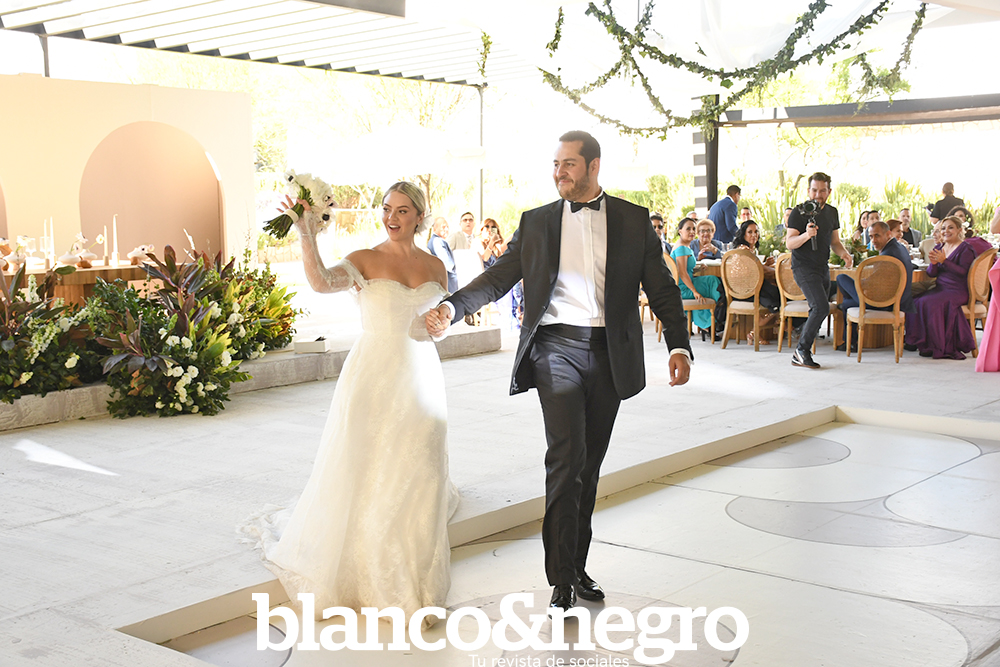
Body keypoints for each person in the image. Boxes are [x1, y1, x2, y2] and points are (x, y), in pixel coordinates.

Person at [425, 130, 692, 613]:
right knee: (566, 460)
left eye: (568, 163)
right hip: (556, 350)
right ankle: (562, 578)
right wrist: (452, 307)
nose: (559, 172)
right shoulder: (537, 222)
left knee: (588, 468)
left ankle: (577, 564)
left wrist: (679, 345)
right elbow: (497, 278)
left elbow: (661, 287)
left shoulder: (632, 220)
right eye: (555, 164)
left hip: (610, 354)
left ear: (593, 166)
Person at [240, 181, 459, 625]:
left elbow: (441, 319)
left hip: (423, 376)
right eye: (386, 208)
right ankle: (374, 575)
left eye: (402, 210)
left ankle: (411, 574)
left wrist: (440, 325)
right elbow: (321, 282)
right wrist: (306, 232)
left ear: (419, 215)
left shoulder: (437, 265)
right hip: (374, 375)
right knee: (368, 465)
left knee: (420, 467)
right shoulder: (364, 259)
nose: (391, 217)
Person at [785, 172, 853, 369]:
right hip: (803, 267)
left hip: (822, 267)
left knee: (818, 308)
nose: (818, 195)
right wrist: (806, 235)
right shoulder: (798, 212)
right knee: (821, 307)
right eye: (814, 190)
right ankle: (801, 351)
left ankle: (802, 346)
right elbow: (790, 243)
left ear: (829, 191)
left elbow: (835, 242)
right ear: (808, 190)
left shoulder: (832, 212)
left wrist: (844, 254)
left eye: (822, 191)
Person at [903, 216, 977, 359]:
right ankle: (921, 343)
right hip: (941, 288)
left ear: (959, 230)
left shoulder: (965, 249)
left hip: (958, 290)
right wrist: (934, 264)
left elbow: (964, 272)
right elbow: (931, 274)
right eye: (943, 228)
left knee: (931, 303)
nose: (946, 231)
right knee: (916, 301)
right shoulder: (939, 247)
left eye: (951, 228)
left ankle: (938, 346)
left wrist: (944, 261)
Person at [835, 220, 913, 352]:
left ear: (888, 234)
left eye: (877, 235)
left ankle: (851, 342)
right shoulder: (900, 247)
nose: (873, 240)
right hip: (900, 300)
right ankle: (851, 337)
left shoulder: (887, 255)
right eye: (871, 237)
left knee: (841, 278)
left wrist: (861, 281)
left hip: (886, 302)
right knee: (848, 301)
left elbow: (872, 285)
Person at [672, 218, 724, 337]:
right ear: (680, 231)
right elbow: (682, 273)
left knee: (711, 280)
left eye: (693, 229)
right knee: (713, 285)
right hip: (683, 288)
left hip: (683, 284)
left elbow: (685, 269)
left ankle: (708, 322)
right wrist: (694, 291)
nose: (692, 231)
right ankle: (713, 321)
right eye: (688, 229)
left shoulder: (683, 245)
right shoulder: (682, 248)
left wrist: (698, 268)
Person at [732, 219, 781, 313]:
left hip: (750, 286)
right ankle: (768, 319)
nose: (754, 235)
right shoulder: (744, 249)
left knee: (775, 289)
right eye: (750, 232)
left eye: (756, 231)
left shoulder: (751, 249)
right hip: (744, 290)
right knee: (779, 291)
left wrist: (766, 264)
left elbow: (753, 268)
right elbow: (755, 270)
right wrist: (778, 272)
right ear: (743, 234)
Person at [427, 216, 459, 293]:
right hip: (449, 284)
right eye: (443, 227)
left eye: (447, 227)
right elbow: (448, 265)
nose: (446, 229)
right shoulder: (437, 241)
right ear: (435, 228)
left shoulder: (434, 241)